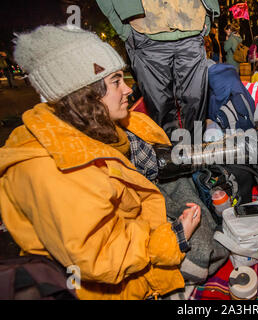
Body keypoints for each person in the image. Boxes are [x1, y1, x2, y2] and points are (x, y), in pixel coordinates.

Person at [0, 25, 207, 300]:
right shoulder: (53, 171)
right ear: (85, 94)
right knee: (206, 252)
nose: (129, 89)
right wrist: (175, 237)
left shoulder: (97, 125)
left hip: (137, 230)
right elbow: (102, 256)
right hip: (113, 283)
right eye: (117, 81)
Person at [96, 0, 220, 139]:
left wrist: (207, 18)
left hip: (192, 25)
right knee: (160, 108)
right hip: (145, 31)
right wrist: (124, 29)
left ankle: (196, 151)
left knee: (196, 103)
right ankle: (168, 155)